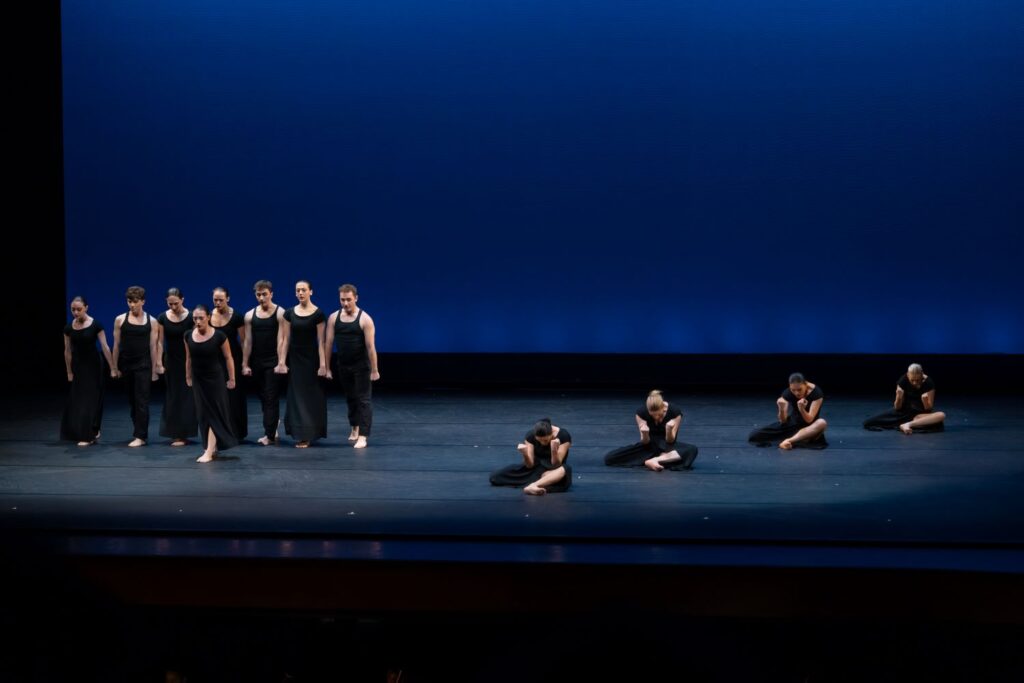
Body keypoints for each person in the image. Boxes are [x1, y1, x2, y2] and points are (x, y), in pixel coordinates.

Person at [325, 284, 380, 449]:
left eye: (349, 299)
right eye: (342, 300)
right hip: (343, 365)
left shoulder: (365, 319)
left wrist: (375, 369)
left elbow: (371, 347)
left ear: (356, 298)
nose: (346, 303)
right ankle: (354, 427)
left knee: (363, 400)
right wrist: (326, 367)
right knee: (351, 398)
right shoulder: (334, 318)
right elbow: (328, 343)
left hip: (361, 366)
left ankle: (363, 436)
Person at [185, 304, 238, 463]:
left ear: (208, 317)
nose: (198, 321)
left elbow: (229, 358)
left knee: (214, 413)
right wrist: (188, 376)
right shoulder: (187, 335)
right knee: (203, 414)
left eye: (201, 318)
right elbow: (188, 358)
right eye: (195, 318)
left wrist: (232, 378)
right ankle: (210, 447)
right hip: (198, 379)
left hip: (215, 380)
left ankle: (208, 451)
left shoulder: (219, 336)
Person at [111, 286, 161, 447]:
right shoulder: (120, 319)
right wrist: (113, 367)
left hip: (143, 365)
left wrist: (154, 369)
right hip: (126, 364)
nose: (132, 305)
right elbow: (116, 345)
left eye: (135, 301)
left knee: (142, 401)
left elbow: (153, 347)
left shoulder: (151, 321)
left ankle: (141, 436)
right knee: (132, 401)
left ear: (143, 301)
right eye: (129, 301)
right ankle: (138, 430)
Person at [61, 296, 113, 445]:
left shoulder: (96, 325)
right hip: (78, 366)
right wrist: (69, 372)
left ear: (86, 308)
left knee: (91, 400)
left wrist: (113, 367)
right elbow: (67, 351)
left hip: (94, 366)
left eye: (79, 309)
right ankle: (85, 429)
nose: (75, 312)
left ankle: (89, 434)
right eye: (73, 309)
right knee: (79, 400)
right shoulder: (68, 328)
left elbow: (105, 347)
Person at [281, 280, 327, 447]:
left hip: (311, 358)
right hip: (295, 358)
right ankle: (300, 433)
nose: (300, 293)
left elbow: (321, 341)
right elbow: (285, 340)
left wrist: (323, 365)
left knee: (311, 397)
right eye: (297, 290)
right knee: (296, 396)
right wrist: (281, 361)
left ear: (311, 292)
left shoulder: (318, 314)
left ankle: (310, 433)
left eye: (303, 290)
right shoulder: (289, 313)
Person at [604, 390, 698, 471]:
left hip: (667, 447)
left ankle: (654, 460)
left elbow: (671, 441)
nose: (656, 418)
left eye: (659, 415)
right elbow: (645, 442)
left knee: (692, 450)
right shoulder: (641, 412)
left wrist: (669, 429)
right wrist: (645, 433)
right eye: (652, 415)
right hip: (649, 447)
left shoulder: (674, 412)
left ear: (663, 408)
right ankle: (663, 459)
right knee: (610, 458)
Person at [242, 280, 288, 445]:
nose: (261, 298)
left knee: (270, 397)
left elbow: (282, 339)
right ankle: (272, 424)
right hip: (257, 361)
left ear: (271, 294)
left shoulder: (280, 313)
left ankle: (269, 435)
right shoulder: (249, 315)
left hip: (273, 361)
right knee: (263, 397)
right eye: (258, 295)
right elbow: (247, 341)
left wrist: (281, 362)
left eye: (264, 294)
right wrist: (245, 364)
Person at [156, 288, 197, 446]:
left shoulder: (191, 316)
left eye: (176, 303)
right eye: (170, 303)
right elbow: (159, 341)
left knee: (187, 397)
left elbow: (194, 339)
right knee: (173, 397)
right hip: (172, 361)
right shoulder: (162, 318)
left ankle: (184, 434)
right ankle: (175, 434)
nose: (173, 306)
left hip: (188, 360)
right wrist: (159, 362)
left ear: (182, 300)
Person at [490, 418, 572, 495]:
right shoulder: (530, 435)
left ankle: (533, 485)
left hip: (553, 470)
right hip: (535, 469)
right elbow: (530, 465)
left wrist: (553, 449)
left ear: (552, 433)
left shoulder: (563, 436)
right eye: (539, 440)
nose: (543, 443)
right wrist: (525, 453)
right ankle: (542, 482)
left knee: (565, 470)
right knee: (495, 477)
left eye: (545, 440)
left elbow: (556, 464)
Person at [748, 372, 828, 450]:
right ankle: (797, 440)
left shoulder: (817, 393)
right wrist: (781, 409)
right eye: (793, 390)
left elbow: (809, 420)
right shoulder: (788, 393)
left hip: (809, 428)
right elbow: (783, 421)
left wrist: (801, 409)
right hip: (793, 424)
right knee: (754, 435)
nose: (796, 393)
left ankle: (788, 441)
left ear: (806, 384)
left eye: (799, 390)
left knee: (822, 423)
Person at [863, 363, 946, 434]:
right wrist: (899, 397)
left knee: (941, 415)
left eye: (917, 380)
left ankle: (907, 424)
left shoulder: (929, 382)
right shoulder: (903, 380)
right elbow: (897, 408)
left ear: (922, 374)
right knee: (869, 422)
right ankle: (908, 423)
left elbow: (929, 408)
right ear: (907, 375)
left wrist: (924, 400)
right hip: (903, 413)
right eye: (912, 380)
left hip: (919, 415)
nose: (914, 383)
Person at [210, 286, 248, 441]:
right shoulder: (208, 316)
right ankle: (219, 433)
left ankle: (236, 432)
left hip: (233, 359)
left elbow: (244, 341)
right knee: (217, 397)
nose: (217, 303)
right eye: (215, 300)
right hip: (214, 361)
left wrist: (245, 363)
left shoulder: (237, 317)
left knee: (234, 398)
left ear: (228, 299)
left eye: (221, 300)